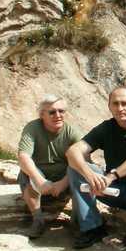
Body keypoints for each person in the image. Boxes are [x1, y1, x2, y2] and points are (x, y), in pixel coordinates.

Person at [66, 86, 126, 251]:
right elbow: (73, 151)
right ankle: (93, 228)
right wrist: (90, 176)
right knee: (74, 168)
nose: (120, 108)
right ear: (109, 106)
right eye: (115, 104)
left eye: (125, 103)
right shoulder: (106, 128)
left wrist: (112, 175)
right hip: (115, 192)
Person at [17, 95, 82, 239]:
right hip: (39, 177)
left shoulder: (72, 132)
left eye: (61, 111)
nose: (58, 116)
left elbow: (83, 160)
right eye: (52, 112)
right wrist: (40, 180)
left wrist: (63, 183)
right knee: (25, 173)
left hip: (65, 176)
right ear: (42, 115)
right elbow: (23, 157)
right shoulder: (32, 128)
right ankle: (38, 219)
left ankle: (77, 222)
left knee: (83, 175)